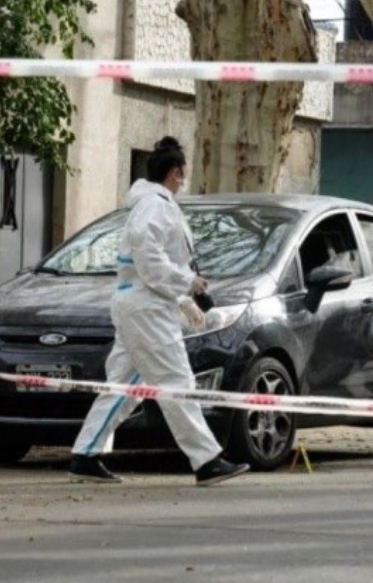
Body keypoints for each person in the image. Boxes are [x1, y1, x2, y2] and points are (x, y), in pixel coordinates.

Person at [69, 136, 249, 485]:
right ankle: (207, 460)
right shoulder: (156, 206)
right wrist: (186, 284)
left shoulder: (149, 204)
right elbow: (149, 257)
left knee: (125, 386)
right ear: (176, 173)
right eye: (183, 173)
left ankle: (87, 452)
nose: (184, 180)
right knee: (176, 382)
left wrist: (182, 297)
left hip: (140, 305)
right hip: (148, 309)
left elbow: (147, 263)